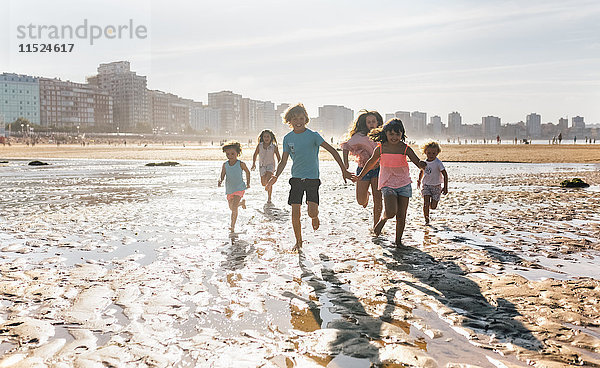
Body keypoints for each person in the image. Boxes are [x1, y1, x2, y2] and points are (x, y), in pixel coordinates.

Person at [266, 103, 353, 251]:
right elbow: (283, 160)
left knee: (312, 211)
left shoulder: (313, 136)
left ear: (306, 119)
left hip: (312, 179)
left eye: (301, 118)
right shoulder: (288, 138)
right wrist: (276, 176)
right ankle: (298, 241)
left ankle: (315, 216)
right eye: (294, 119)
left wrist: (343, 170)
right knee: (295, 212)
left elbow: (332, 150)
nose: (298, 121)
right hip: (296, 179)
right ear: (289, 121)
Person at [354, 119, 427, 245]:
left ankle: (398, 242)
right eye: (391, 134)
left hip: (404, 183)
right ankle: (383, 220)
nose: (394, 137)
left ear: (402, 134)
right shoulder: (381, 148)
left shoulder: (405, 148)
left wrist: (423, 165)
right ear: (386, 134)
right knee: (392, 211)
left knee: (401, 215)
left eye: (397, 134)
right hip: (387, 183)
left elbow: (417, 162)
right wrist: (360, 176)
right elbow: (370, 162)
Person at [341, 109, 384, 228]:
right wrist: (346, 164)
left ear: (377, 122)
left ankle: (376, 226)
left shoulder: (382, 135)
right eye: (368, 122)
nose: (371, 124)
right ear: (364, 123)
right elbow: (346, 146)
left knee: (378, 199)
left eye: (373, 121)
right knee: (360, 201)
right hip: (363, 169)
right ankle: (366, 197)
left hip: (378, 170)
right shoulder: (359, 136)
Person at [218, 141, 250, 233]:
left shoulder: (240, 164)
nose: (230, 156)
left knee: (234, 207)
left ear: (237, 153)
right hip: (230, 189)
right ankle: (242, 203)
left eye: (232, 154)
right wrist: (220, 180)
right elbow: (222, 174)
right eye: (228, 154)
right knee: (232, 207)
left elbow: (247, 172)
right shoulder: (225, 165)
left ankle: (232, 226)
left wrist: (248, 183)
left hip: (239, 188)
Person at [417, 141, 448, 224]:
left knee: (433, 206)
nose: (431, 155)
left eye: (433, 153)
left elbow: (445, 174)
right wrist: (419, 181)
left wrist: (445, 187)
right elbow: (421, 171)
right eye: (429, 153)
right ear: (425, 152)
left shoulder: (438, 163)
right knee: (426, 203)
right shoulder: (425, 163)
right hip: (426, 185)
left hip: (436, 186)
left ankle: (430, 205)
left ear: (437, 153)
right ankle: (426, 219)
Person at [251, 130, 281, 203]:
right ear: (262, 137)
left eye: (268, 136)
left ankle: (269, 198)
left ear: (271, 138)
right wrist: (253, 163)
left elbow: (278, 157)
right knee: (263, 183)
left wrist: (279, 167)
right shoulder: (260, 145)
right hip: (262, 166)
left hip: (271, 166)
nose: (266, 138)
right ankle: (269, 185)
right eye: (264, 136)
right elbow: (255, 155)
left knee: (268, 181)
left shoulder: (274, 147)